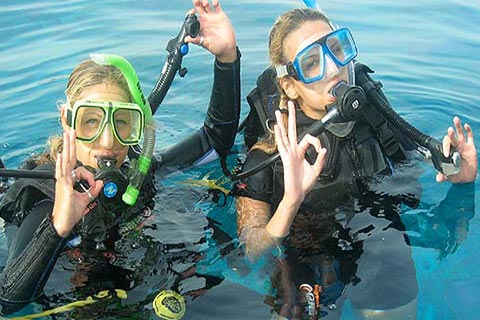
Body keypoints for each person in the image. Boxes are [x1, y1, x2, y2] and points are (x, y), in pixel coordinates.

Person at [234, 8, 477, 319]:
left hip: (381, 243)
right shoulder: (271, 154)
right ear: (290, 86)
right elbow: (252, 248)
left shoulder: (377, 118)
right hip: (308, 257)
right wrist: (290, 203)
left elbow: (418, 167)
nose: (333, 68)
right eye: (312, 63)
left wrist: (462, 176)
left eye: (336, 50)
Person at [0, 0, 240, 312]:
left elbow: (214, 141)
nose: (107, 140)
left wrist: (226, 57)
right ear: (67, 120)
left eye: (123, 122)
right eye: (90, 121)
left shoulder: (138, 175)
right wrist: (57, 228)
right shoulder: (42, 198)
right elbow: (8, 300)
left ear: (138, 127)